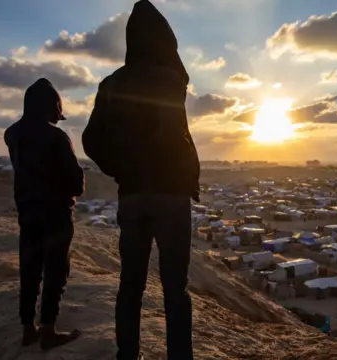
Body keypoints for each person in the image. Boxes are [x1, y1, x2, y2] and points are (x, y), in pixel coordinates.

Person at [82, 1, 199, 359]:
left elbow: (90, 140)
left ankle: (127, 354)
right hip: (171, 195)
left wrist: (121, 168)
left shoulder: (112, 83)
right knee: (174, 289)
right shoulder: (170, 79)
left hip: (133, 196)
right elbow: (173, 130)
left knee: (130, 284)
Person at [4, 78, 84, 350]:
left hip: (27, 211)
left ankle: (29, 327)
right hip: (57, 214)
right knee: (55, 272)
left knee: (29, 270)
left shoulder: (12, 134)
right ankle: (48, 330)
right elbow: (76, 184)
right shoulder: (57, 137)